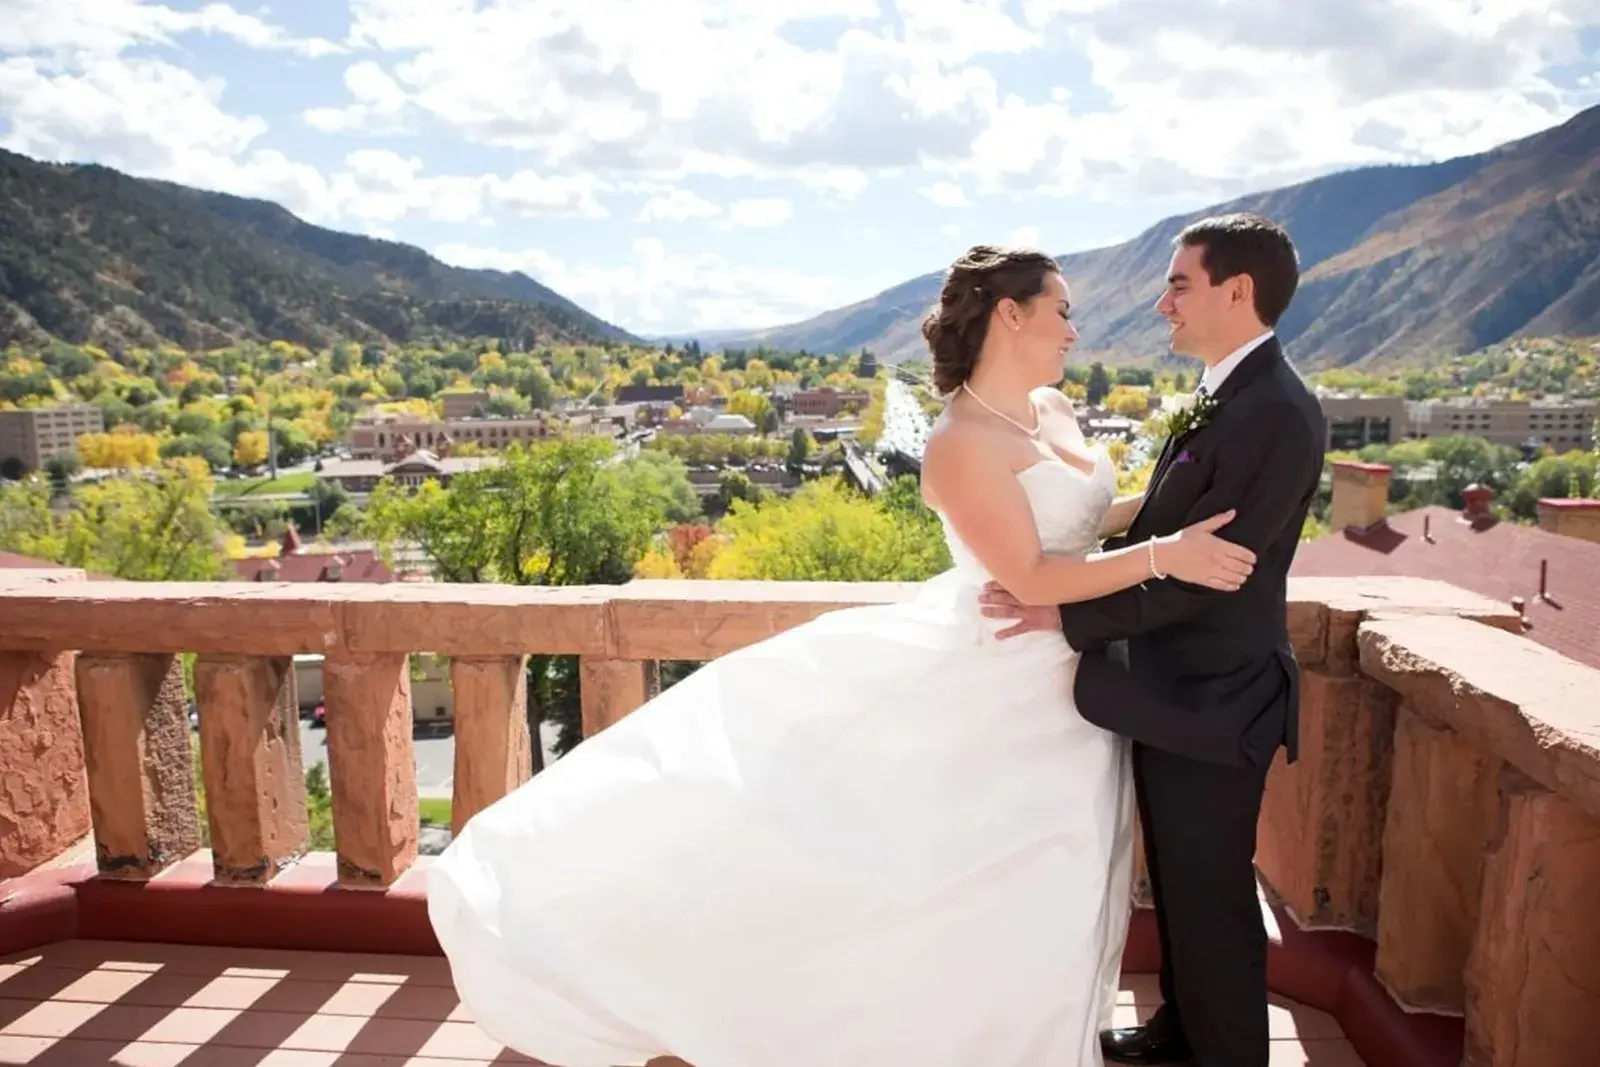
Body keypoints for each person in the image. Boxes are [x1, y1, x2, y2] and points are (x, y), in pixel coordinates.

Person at [427, 244, 1257, 1067]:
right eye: (1063, 310)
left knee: (1063, 880)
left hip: (1074, 684)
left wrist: (1174, 513)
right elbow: (1030, 574)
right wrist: (1164, 556)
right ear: (1011, 314)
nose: (1076, 328)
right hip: (997, 677)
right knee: (972, 875)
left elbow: (1078, 518)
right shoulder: (959, 443)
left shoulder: (1055, 412)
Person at [981, 214, 1326, 1067]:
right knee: (1176, 884)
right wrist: (1060, 542)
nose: (1162, 300)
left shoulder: (1277, 412)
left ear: (1237, 292)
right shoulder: (1228, 393)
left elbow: (1209, 571)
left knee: (1211, 900)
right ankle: (1184, 1030)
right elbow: (1171, 525)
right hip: (1176, 694)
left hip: (1220, 699)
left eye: (1180, 283)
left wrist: (1062, 613)